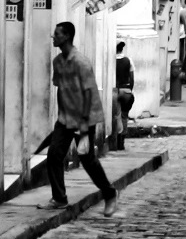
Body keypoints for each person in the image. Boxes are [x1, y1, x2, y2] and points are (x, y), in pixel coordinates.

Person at [46, 21, 117, 215]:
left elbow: (89, 94)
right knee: (53, 155)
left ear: (67, 36)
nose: (54, 37)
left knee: (87, 159)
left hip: (84, 120)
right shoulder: (58, 62)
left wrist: (84, 125)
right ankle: (59, 198)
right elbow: (61, 90)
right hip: (65, 119)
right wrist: (61, 118)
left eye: (57, 34)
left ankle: (109, 194)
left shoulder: (81, 62)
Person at [111, 39, 135, 150]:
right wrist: (129, 90)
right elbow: (132, 78)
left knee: (117, 116)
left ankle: (116, 140)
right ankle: (122, 142)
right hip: (126, 91)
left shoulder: (112, 61)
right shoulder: (128, 60)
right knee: (124, 116)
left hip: (115, 90)